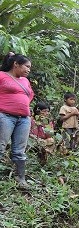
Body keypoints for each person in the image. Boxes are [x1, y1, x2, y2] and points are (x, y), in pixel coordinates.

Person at [0, 52, 34, 187]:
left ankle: (21, 179)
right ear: (16, 64)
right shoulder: (2, 76)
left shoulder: (25, 81)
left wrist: (22, 105)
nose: (28, 70)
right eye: (26, 66)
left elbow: (30, 95)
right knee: (0, 147)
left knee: (20, 150)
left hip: (24, 119)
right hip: (5, 116)